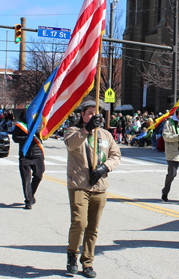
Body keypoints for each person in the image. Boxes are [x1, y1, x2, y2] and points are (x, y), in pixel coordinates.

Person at [64, 101, 121, 278]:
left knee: (93, 227)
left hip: (100, 186)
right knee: (80, 222)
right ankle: (72, 255)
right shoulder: (73, 132)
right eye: (90, 113)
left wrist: (106, 167)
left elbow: (116, 155)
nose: (94, 117)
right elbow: (71, 145)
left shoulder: (105, 135)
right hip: (79, 184)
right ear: (83, 115)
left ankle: (87, 262)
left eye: (97, 114)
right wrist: (86, 129)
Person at [12, 115, 45, 209]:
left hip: (38, 155)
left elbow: (45, 135)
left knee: (38, 176)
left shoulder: (41, 122)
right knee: (26, 179)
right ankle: (28, 201)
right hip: (25, 155)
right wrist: (28, 139)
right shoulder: (21, 124)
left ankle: (30, 195)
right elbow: (15, 138)